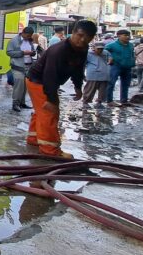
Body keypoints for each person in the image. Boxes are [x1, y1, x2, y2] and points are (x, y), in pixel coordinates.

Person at [26, 20, 97, 158]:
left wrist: (78, 86)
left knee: (41, 112)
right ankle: (50, 150)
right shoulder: (59, 50)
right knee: (49, 113)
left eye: (87, 37)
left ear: (92, 37)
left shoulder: (83, 48)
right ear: (73, 32)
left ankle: (34, 139)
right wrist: (51, 99)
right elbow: (49, 76)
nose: (82, 40)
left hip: (47, 82)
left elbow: (78, 68)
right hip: (38, 81)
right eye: (80, 35)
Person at [7, 26, 36, 112]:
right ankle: (15, 103)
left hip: (28, 66)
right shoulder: (14, 41)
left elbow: (33, 51)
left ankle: (22, 103)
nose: (28, 37)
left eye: (30, 36)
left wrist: (32, 53)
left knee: (25, 86)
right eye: (27, 35)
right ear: (23, 33)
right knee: (19, 86)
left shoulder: (30, 41)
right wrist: (22, 53)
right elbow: (9, 52)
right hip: (17, 66)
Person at [105, 29, 135, 106]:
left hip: (127, 67)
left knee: (126, 84)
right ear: (118, 36)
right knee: (111, 83)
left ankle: (124, 100)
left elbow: (132, 54)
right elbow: (103, 52)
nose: (127, 37)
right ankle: (109, 101)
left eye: (128, 35)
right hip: (115, 66)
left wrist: (133, 62)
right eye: (125, 35)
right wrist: (109, 58)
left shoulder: (131, 45)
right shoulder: (111, 45)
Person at [83, 42, 111, 106]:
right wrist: (82, 74)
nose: (100, 50)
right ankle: (86, 101)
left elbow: (110, 59)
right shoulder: (88, 54)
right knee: (90, 89)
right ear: (93, 48)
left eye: (101, 49)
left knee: (103, 90)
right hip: (92, 74)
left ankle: (100, 102)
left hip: (104, 74)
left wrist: (110, 62)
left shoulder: (106, 53)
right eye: (98, 49)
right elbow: (83, 64)